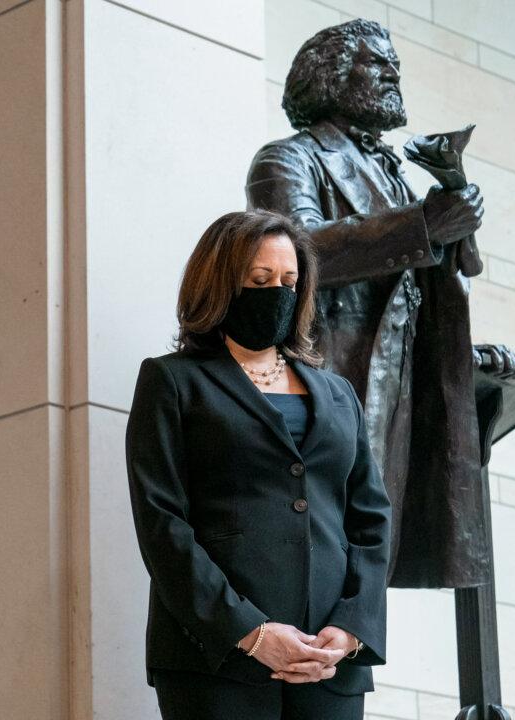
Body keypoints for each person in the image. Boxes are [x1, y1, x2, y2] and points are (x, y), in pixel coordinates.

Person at [245, 18, 515, 588]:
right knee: (325, 561)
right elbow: (298, 251)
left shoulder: (394, 174)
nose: (393, 72)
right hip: (331, 383)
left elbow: (412, 295)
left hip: (398, 395)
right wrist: (422, 224)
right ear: (332, 77)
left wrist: (463, 352)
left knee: (371, 562)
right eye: (377, 62)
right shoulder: (289, 159)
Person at [125, 209, 392, 720]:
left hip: (329, 663)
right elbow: (161, 523)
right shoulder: (173, 381)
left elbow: (371, 520)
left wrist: (353, 627)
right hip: (216, 658)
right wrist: (248, 630)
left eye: (289, 281)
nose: (277, 293)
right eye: (260, 280)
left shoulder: (337, 393)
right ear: (222, 284)